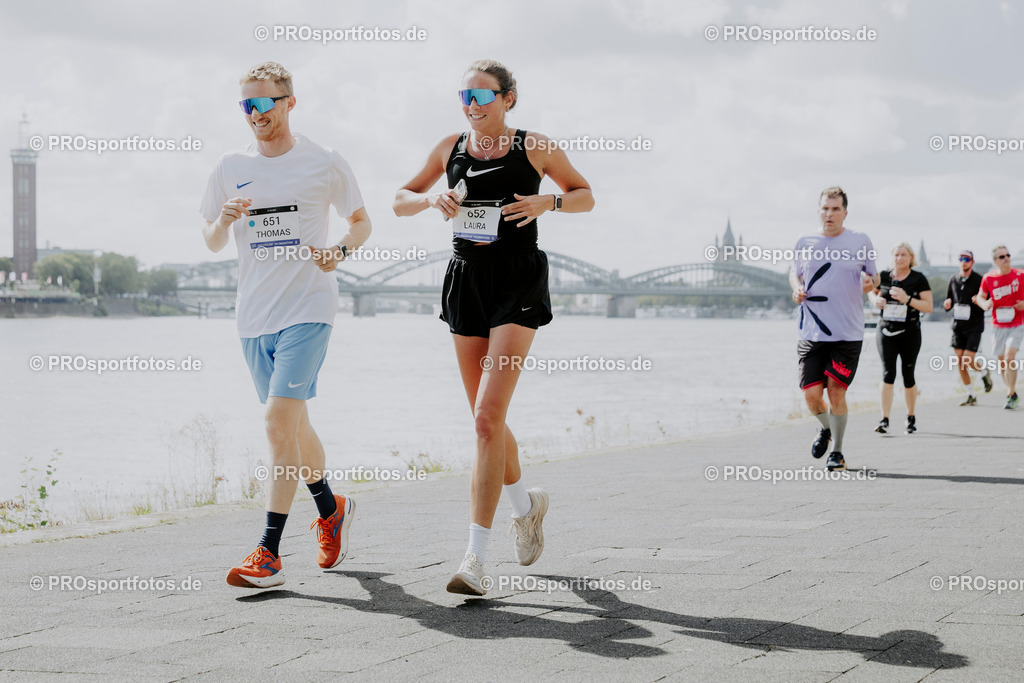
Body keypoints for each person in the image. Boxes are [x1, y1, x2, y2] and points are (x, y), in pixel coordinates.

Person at [393, 59, 594, 595]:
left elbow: (584, 194)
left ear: (508, 99)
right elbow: (399, 200)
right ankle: (527, 508)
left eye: (483, 96)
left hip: (517, 283)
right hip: (466, 281)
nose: (473, 105)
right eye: (465, 96)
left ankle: (474, 561)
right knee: (488, 423)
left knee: (485, 419)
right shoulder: (449, 147)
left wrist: (548, 200)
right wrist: (430, 198)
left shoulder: (536, 146)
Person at [200, 62, 371, 587]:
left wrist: (338, 250)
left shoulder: (323, 160)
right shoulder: (230, 165)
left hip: (309, 308)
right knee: (293, 425)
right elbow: (209, 240)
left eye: (263, 103)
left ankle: (268, 551)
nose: (254, 114)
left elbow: (361, 222)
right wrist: (225, 220)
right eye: (245, 106)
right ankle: (331, 508)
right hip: (253, 317)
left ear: (289, 102)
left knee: (276, 424)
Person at [791, 187, 879, 472]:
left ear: (845, 212)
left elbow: (873, 275)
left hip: (847, 332)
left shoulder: (859, 240)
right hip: (811, 330)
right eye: (825, 209)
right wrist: (797, 289)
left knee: (836, 393)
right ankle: (826, 428)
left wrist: (871, 283)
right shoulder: (805, 241)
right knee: (811, 396)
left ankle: (838, 452)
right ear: (819, 211)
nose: (830, 214)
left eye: (836, 209)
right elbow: (795, 273)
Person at [869, 243, 933, 434]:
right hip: (886, 331)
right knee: (888, 373)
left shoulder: (918, 279)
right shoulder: (884, 275)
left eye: (903, 255)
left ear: (911, 257)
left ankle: (910, 417)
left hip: (910, 332)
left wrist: (908, 300)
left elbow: (928, 306)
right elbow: (870, 293)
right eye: (896, 254)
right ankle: (884, 419)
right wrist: (876, 300)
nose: (899, 258)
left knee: (908, 375)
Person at [974, 245, 1024, 409]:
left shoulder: (1020, 275)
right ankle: (1011, 393)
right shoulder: (988, 278)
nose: (1006, 258)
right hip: (998, 324)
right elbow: (980, 297)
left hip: (1017, 323)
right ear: (995, 261)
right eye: (1002, 257)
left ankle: (1010, 393)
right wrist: (984, 303)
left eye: (1008, 255)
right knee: (1002, 361)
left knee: (1010, 357)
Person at [942, 250, 992, 405]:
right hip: (957, 326)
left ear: (972, 262)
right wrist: (947, 305)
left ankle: (984, 372)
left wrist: (979, 301)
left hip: (974, 326)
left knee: (967, 359)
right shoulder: (953, 279)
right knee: (960, 362)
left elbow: (988, 302)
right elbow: (949, 300)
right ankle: (971, 394)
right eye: (961, 259)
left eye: (967, 259)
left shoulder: (980, 280)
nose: (964, 261)